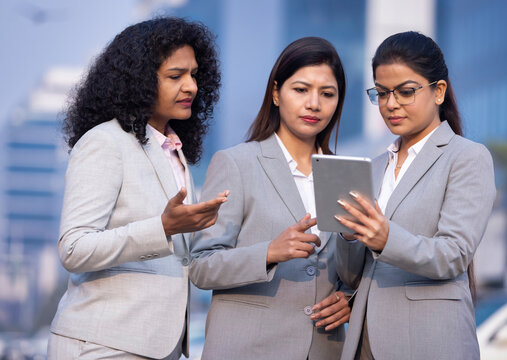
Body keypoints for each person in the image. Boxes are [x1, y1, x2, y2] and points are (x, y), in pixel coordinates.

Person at [47, 17, 228, 360]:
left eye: (194, 75)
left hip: (157, 346)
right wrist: (162, 228)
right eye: (176, 76)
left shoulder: (174, 151)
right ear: (139, 81)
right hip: (103, 346)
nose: (191, 86)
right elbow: (74, 248)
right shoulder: (104, 143)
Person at [334, 31, 496, 360]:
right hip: (365, 342)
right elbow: (353, 276)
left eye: (405, 92)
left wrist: (384, 238)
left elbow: (454, 254)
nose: (390, 104)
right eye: (381, 93)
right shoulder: (373, 168)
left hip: (430, 342)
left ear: (438, 91)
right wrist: (350, 239)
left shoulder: (466, 157)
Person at [189, 37, 351, 359]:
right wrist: (269, 252)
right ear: (276, 93)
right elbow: (201, 267)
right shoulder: (236, 163)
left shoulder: (345, 174)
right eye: (301, 90)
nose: (314, 104)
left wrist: (350, 296)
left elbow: (351, 269)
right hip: (248, 348)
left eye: (327, 94)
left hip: (323, 349)